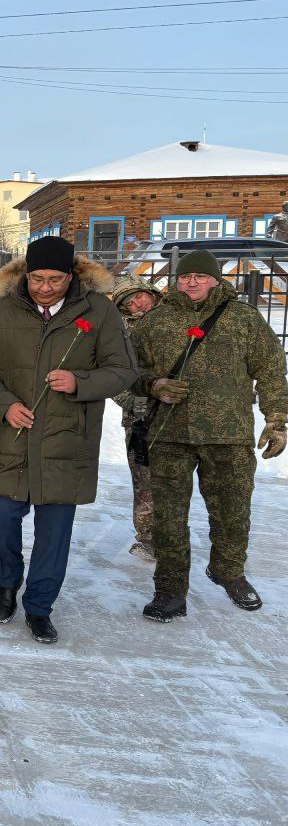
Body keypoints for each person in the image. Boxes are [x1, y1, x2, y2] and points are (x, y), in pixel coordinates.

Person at [0, 236, 136, 644]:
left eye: (55, 279)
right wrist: (3, 404)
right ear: (25, 274)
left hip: (66, 440)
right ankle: (8, 584)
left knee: (54, 532)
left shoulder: (98, 311)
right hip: (12, 435)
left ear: (71, 276)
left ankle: (40, 607)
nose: (45, 287)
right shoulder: (2, 308)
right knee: (2, 517)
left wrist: (80, 381)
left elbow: (123, 370)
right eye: (37, 278)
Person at [131, 250, 287, 622]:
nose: (193, 282)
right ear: (177, 281)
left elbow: (270, 370)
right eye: (186, 277)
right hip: (170, 435)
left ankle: (228, 571)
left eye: (201, 276)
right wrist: (154, 385)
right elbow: (125, 370)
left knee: (233, 512)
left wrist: (277, 419)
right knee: (168, 517)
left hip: (228, 435)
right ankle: (169, 591)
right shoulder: (156, 321)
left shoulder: (243, 319)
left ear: (216, 279)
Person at [109, 275, 163, 560]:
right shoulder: (118, 333)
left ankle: (173, 537)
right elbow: (111, 376)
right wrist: (132, 401)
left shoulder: (173, 321)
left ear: (152, 293)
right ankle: (147, 538)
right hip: (139, 416)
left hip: (176, 412)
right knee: (144, 480)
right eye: (129, 301)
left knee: (174, 481)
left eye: (141, 296)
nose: (138, 303)